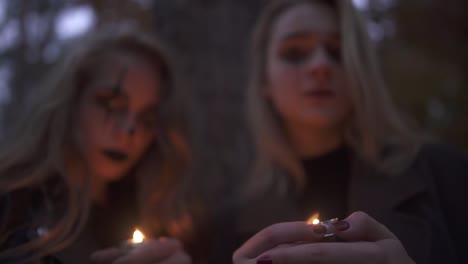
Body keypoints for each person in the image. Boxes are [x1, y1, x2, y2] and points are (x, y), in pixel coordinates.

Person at [232, 0, 468, 263]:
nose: (320, 65)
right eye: (295, 52)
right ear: (265, 81)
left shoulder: (447, 176)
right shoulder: (230, 226)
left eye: (337, 51)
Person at [0, 25, 192, 264]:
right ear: (71, 100)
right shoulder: (11, 207)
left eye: (147, 119)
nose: (129, 130)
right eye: (111, 104)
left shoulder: (155, 223)